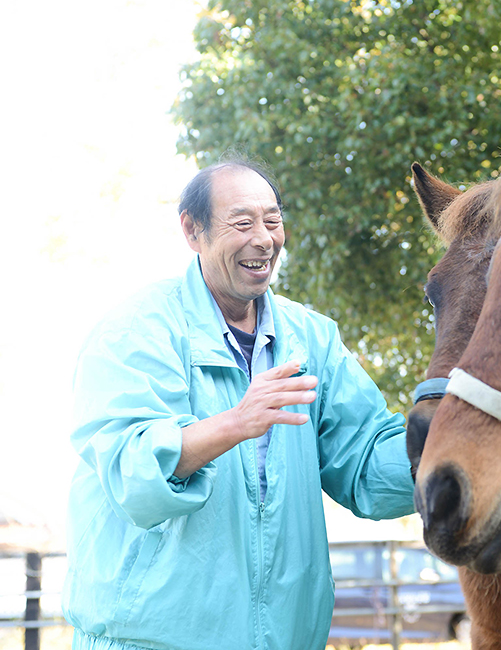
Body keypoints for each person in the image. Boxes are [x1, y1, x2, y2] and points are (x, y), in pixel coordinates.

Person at [62, 158, 416, 650]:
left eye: (273, 221)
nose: (264, 238)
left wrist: (450, 445)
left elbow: (365, 464)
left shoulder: (312, 339)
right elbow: (132, 473)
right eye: (243, 222)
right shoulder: (136, 331)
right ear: (192, 229)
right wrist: (234, 423)